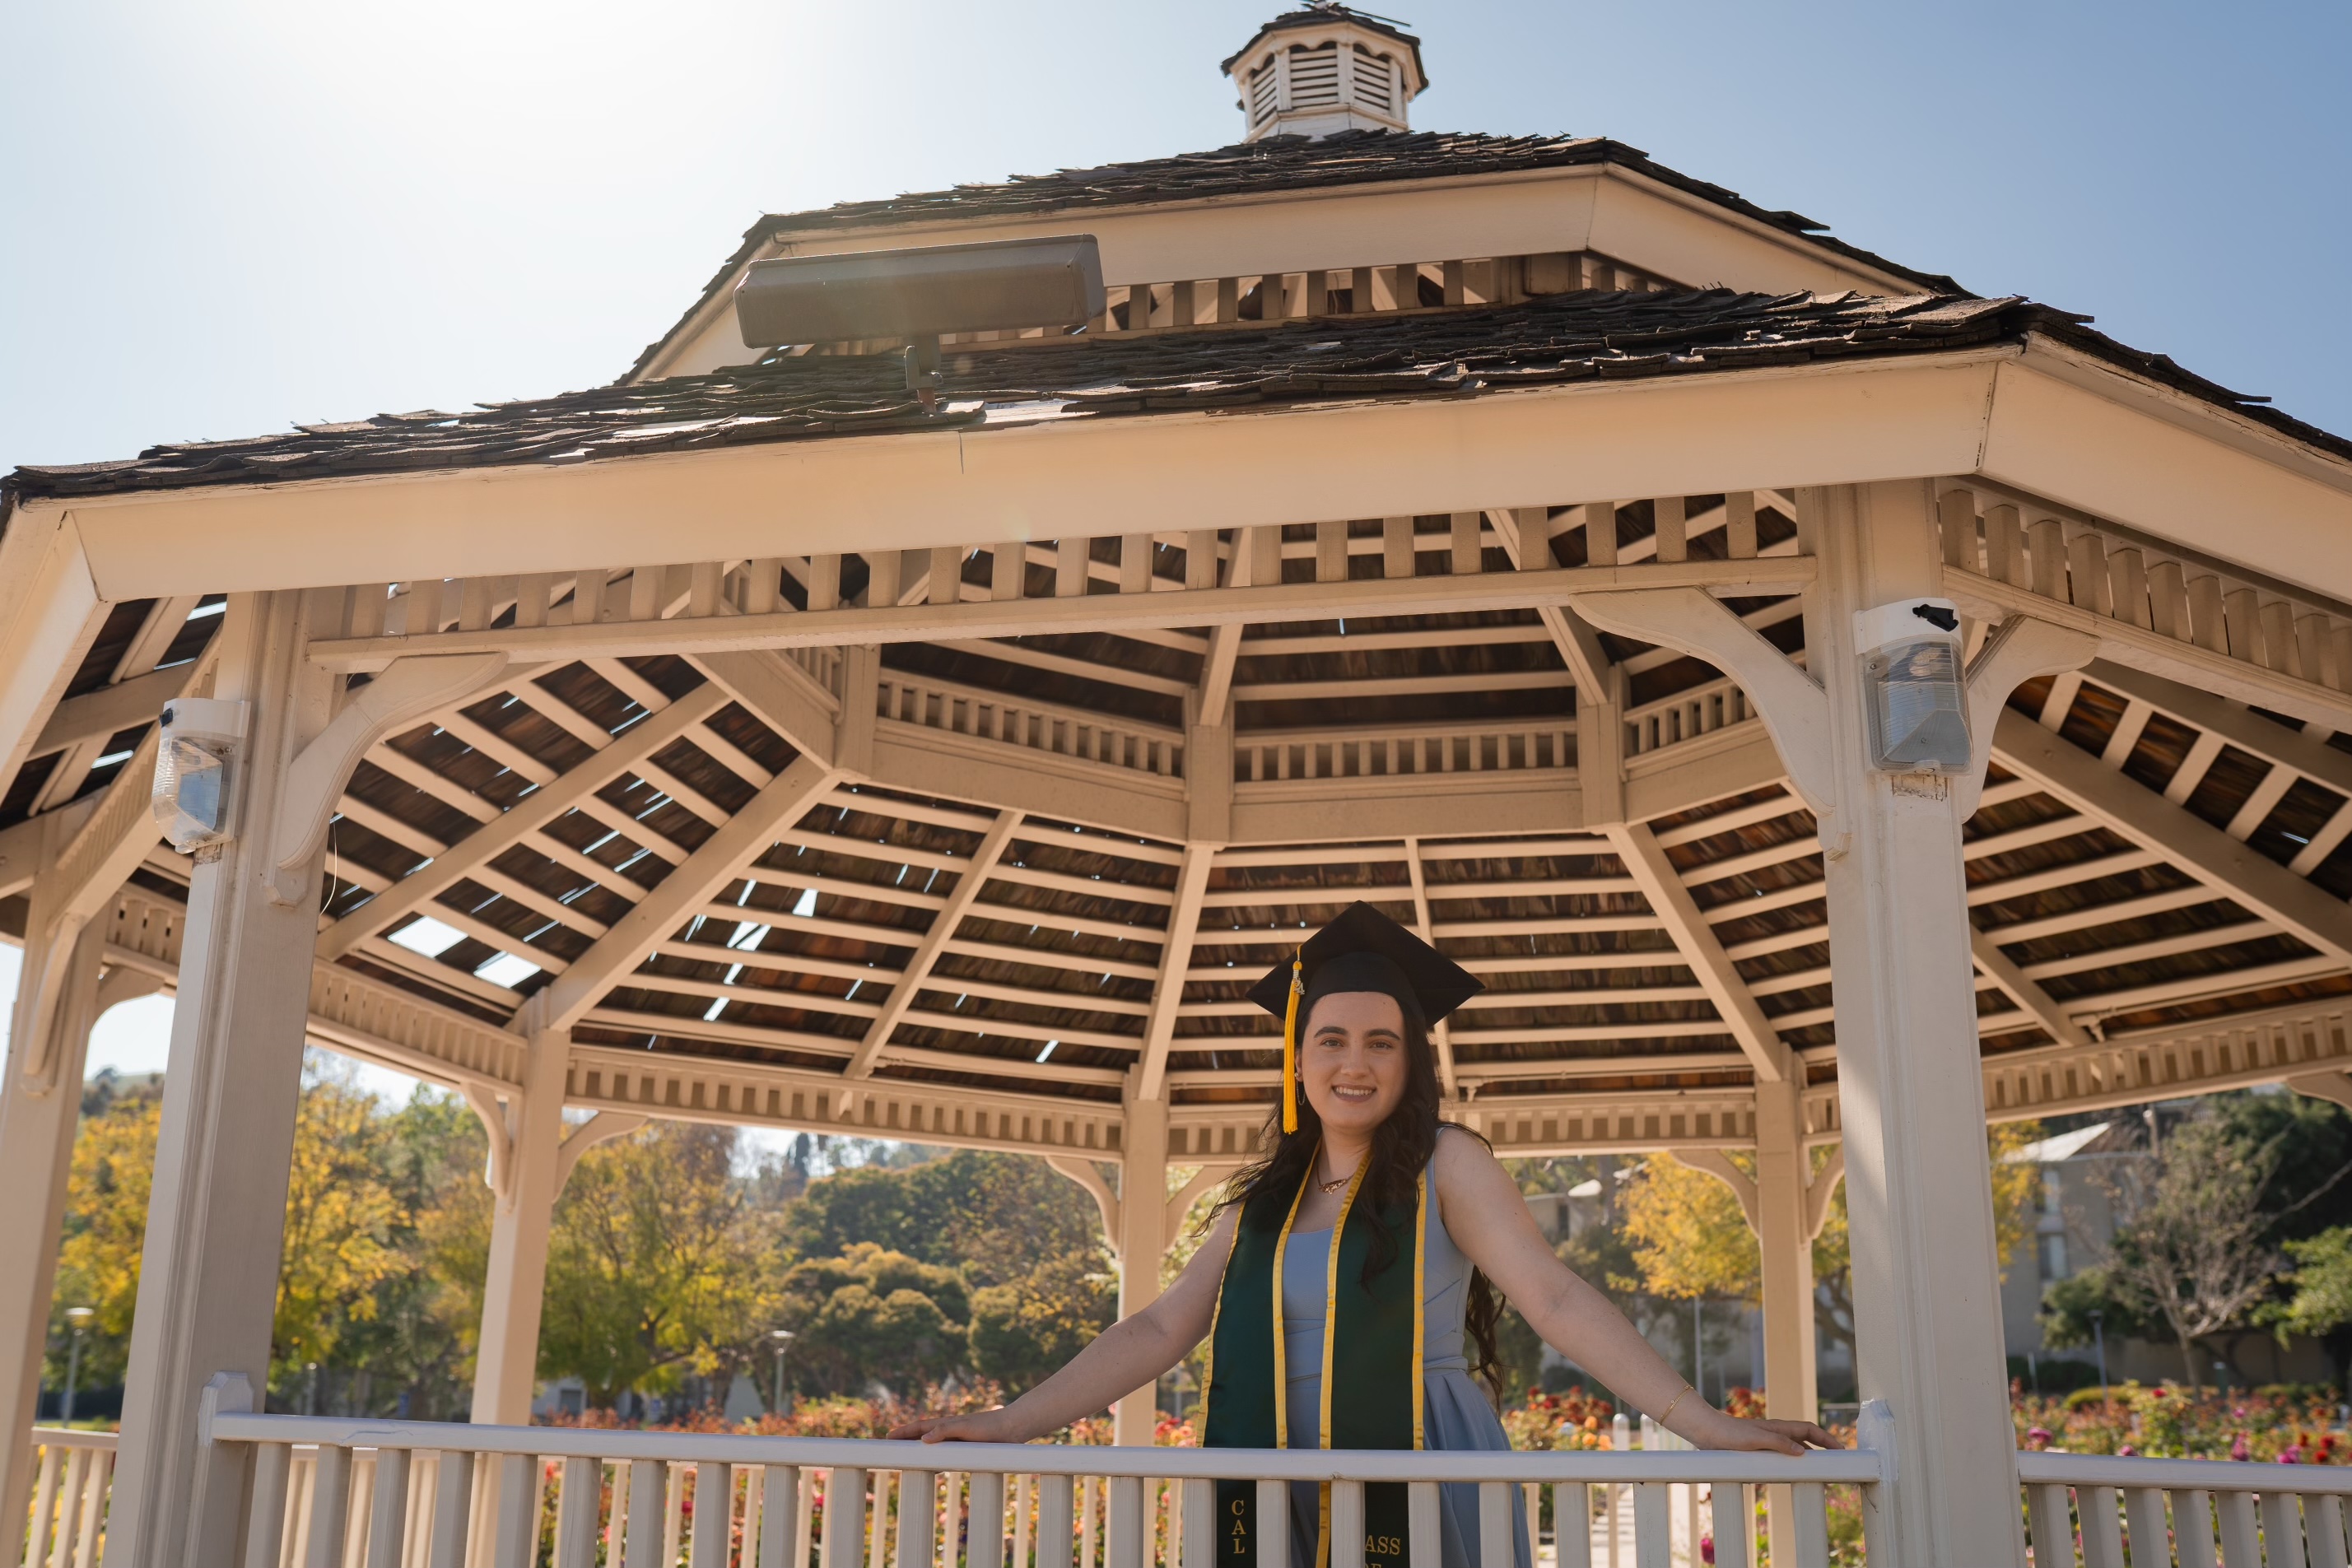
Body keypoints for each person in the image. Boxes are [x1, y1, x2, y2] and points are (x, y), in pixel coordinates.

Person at [894, 903, 1836, 1568]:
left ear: (1409, 1058)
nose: (1354, 1062)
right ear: (1297, 1058)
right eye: (1331, 1039)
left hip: (1416, 1456)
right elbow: (1154, 1331)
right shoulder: (1259, 1200)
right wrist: (1006, 1421)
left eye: (1380, 1042)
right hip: (1274, 1471)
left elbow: (1552, 1296)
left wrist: (1700, 1423)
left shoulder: (1446, 1165)